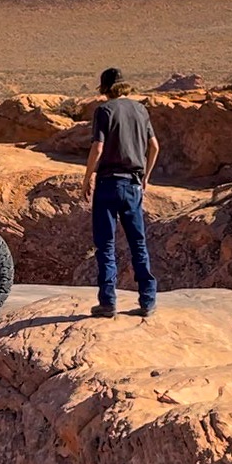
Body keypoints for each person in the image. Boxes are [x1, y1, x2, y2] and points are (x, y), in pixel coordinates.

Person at [82, 68, 159, 318]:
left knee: (106, 244)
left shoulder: (104, 110)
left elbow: (98, 147)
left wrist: (87, 178)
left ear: (105, 89)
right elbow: (154, 146)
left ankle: (108, 302)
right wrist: (146, 176)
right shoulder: (141, 110)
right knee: (138, 243)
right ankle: (148, 300)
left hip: (108, 185)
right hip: (133, 185)